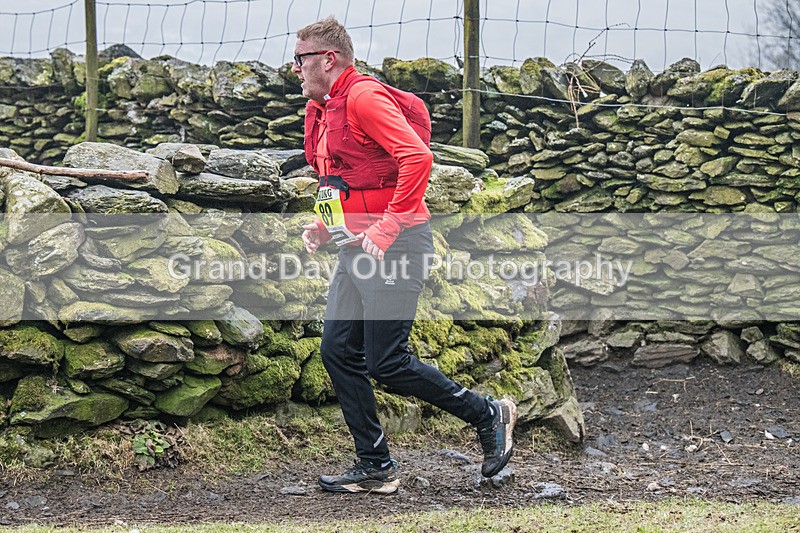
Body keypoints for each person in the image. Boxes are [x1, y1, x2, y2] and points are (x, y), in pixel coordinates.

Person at [293, 16, 517, 494]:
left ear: (328, 59)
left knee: (387, 360)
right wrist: (325, 227)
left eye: (301, 59)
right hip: (358, 245)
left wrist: (390, 225)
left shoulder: (364, 97)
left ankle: (488, 413)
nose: (295, 68)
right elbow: (346, 177)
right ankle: (375, 465)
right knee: (337, 351)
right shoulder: (324, 108)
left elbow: (418, 158)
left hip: (397, 243)